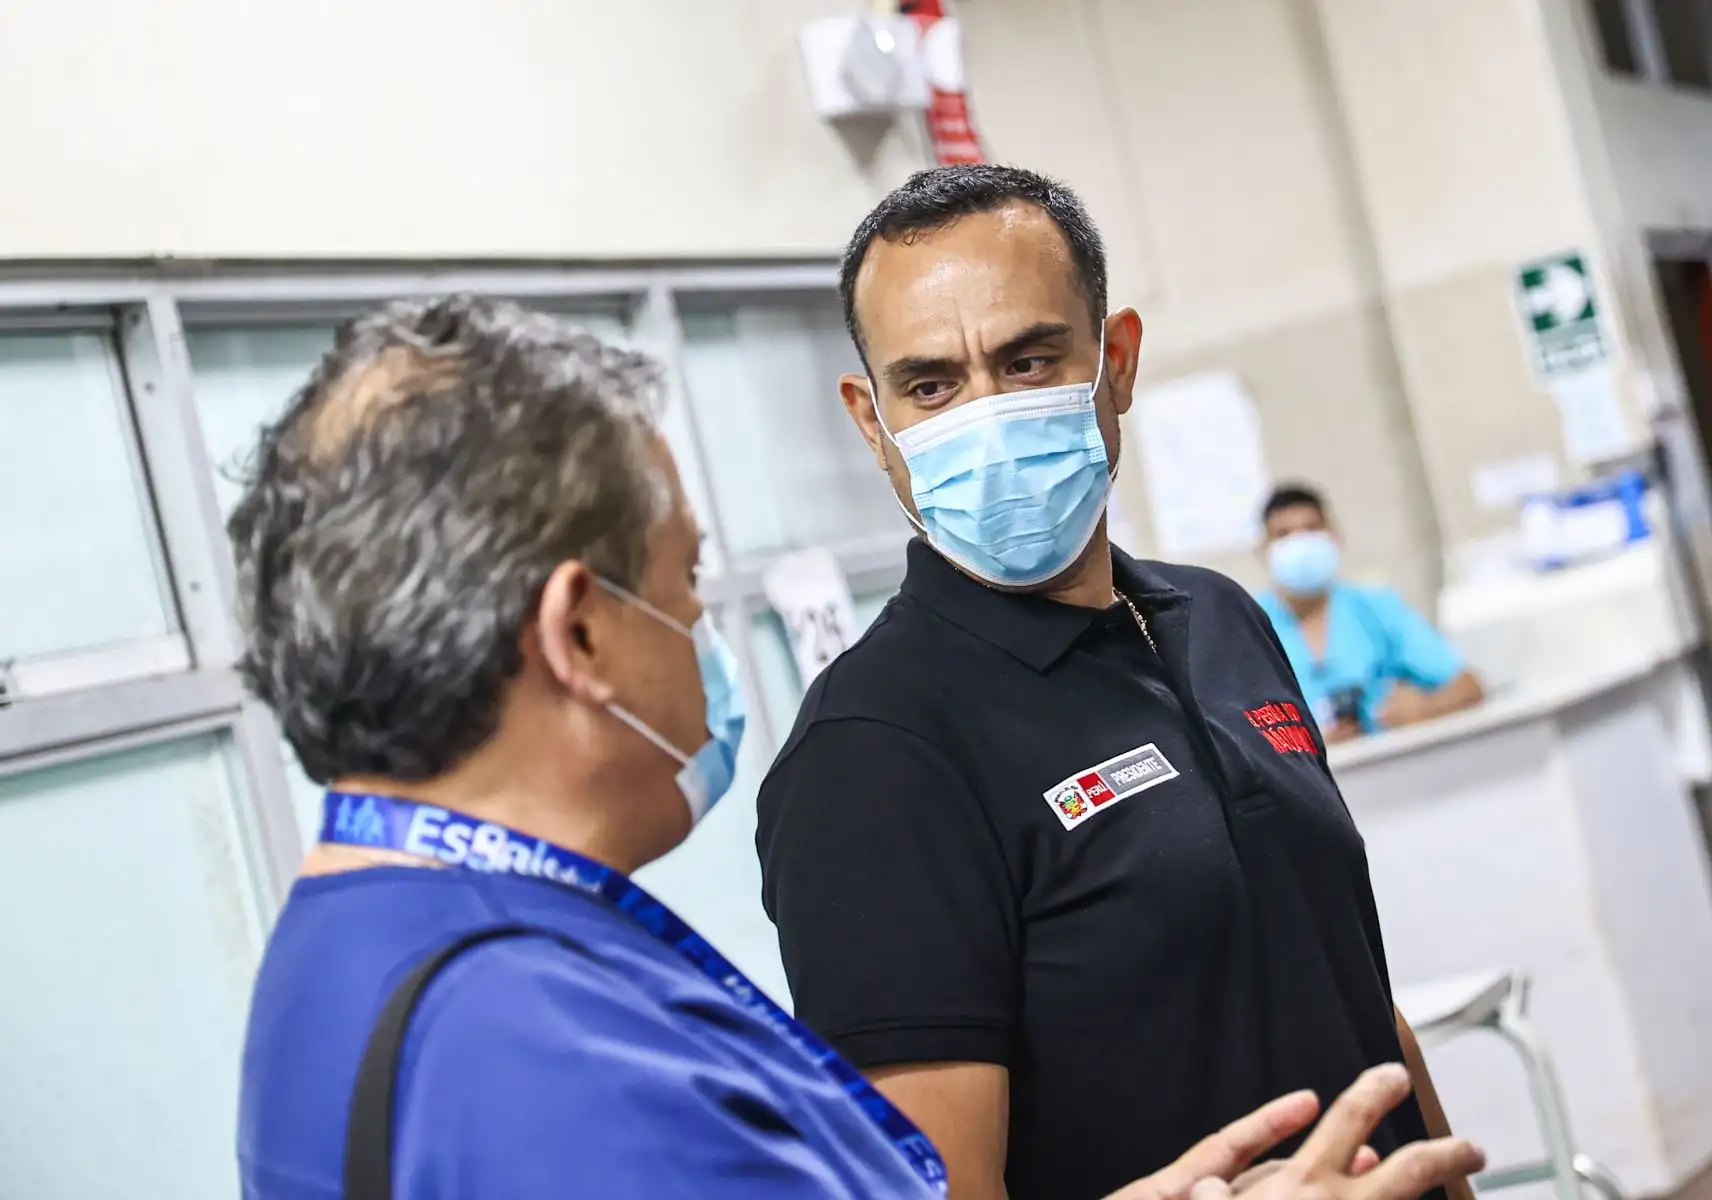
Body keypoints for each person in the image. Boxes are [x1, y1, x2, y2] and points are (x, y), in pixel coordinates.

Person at [231, 295, 1482, 1200]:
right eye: (687, 578)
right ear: (582, 636)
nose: (704, 631)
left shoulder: (384, 937)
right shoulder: (537, 1051)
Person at [755, 165, 1478, 1200]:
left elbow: (1353, 992)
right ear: (873, 425)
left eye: (1028, 359)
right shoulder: (874, 751)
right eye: (930, 385)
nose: (986, 417)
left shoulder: (1220, 620)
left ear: (1116, 361)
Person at [1256, 484, 1483, 742]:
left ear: (1334, 537)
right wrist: (1305, 744)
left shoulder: (1375, 608)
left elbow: (1469, 686)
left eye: (1311, 529)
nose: (1299, 546)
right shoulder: (1247, 627)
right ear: (1263, 550)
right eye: (1284, 534)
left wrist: (1425, 709)